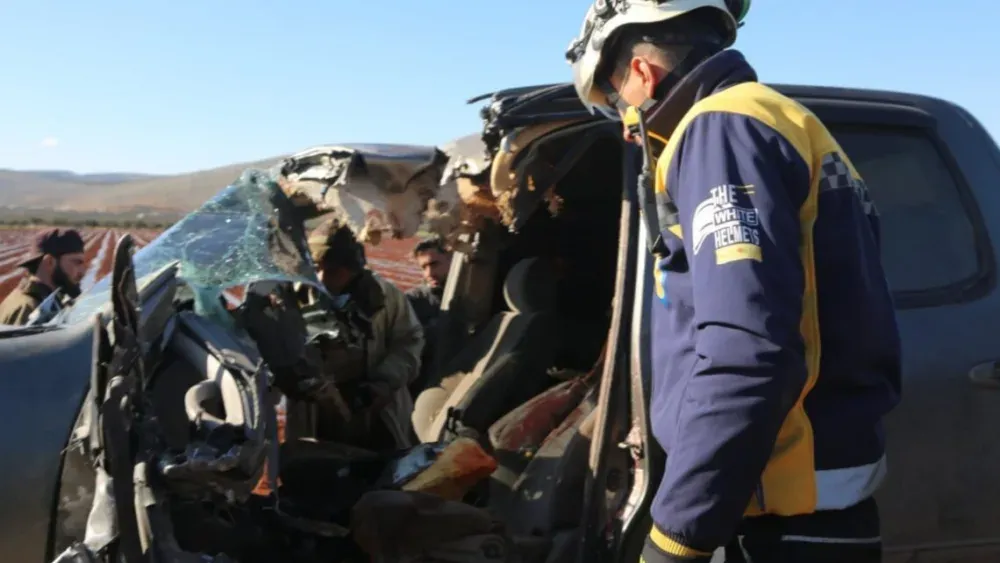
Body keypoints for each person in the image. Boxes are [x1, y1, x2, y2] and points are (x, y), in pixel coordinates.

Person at [565, 1, 901, 562]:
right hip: (813, 507)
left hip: (775, 514)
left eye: (616, 98)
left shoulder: (720, 129)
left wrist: (677, 534)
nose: (625, 123)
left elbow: (747, 350)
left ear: (643, 75)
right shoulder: (780, 119)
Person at [300, 218, 424, 450]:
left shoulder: (386, 296)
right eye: (316, 268)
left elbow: (410, 340)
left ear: (353, 268)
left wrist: (383, 383)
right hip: (317, 414)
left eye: (333, 270)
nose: (322, 278)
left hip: (376, 409)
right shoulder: (295, 299)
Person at [0, 228, 86, 325]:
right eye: (77, 262)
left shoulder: (46, 301)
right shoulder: (29, 312)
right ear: (50, 262)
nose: (82, 272)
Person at [406, 236, 453, 394]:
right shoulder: (413, 301)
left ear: (451, 259)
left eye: (434, 264)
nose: (429, 273)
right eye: (423, 267)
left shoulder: (471, 294)